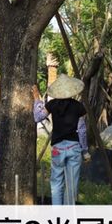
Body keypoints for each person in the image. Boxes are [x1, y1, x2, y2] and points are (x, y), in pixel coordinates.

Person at [32, 74, 90, 205]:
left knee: (56, 183)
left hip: (57, 149)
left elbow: (37, 117)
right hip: (74, 148)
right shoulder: (78, 106)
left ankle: (57, 215)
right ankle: (68, 216)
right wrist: (85, 151)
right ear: (71, 91)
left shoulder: (52, 104)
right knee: (71, 185)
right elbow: (81, 130)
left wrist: (37, 99)